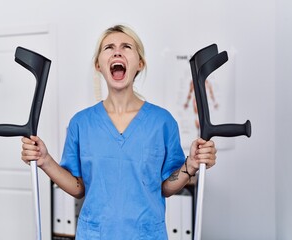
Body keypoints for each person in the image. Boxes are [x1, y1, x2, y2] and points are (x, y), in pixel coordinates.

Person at [21, 24, 217, 240]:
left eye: (126, 47)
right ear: (98, 65)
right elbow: (78, 187)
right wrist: (45, 160)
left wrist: (190, 165)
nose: (117, 51)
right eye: (109, 47)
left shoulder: (163, 122)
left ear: (139, 63)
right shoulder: (81, 123)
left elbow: (166, 187)